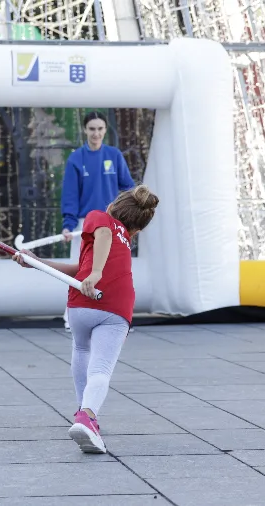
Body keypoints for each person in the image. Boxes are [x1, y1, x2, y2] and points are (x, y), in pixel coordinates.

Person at [13, 185, 159, 454]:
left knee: (81, 350)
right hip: (116, 305)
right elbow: (83, 268)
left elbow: (102, 237)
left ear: (112, 207)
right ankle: (87, 417)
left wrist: (95, 274)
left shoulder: (99, 217)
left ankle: (84, 413)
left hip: (82, 304)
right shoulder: (124, 238)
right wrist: (38, 262)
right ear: (137, 230)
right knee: (101, 367)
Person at [59, 111, 136, 328]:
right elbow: (70, 195)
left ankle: (116, 315)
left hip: (111, 225)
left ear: (105, 130)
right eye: (92, 129)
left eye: (100, 129)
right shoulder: (76, 159)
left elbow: (129, 188)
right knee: (80, 270)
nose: (96, 133)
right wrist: (68, 225)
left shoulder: (114, 155)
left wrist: (129, 216)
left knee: (113, 269)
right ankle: (71, 317)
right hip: (85, 225)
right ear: (85, 130)